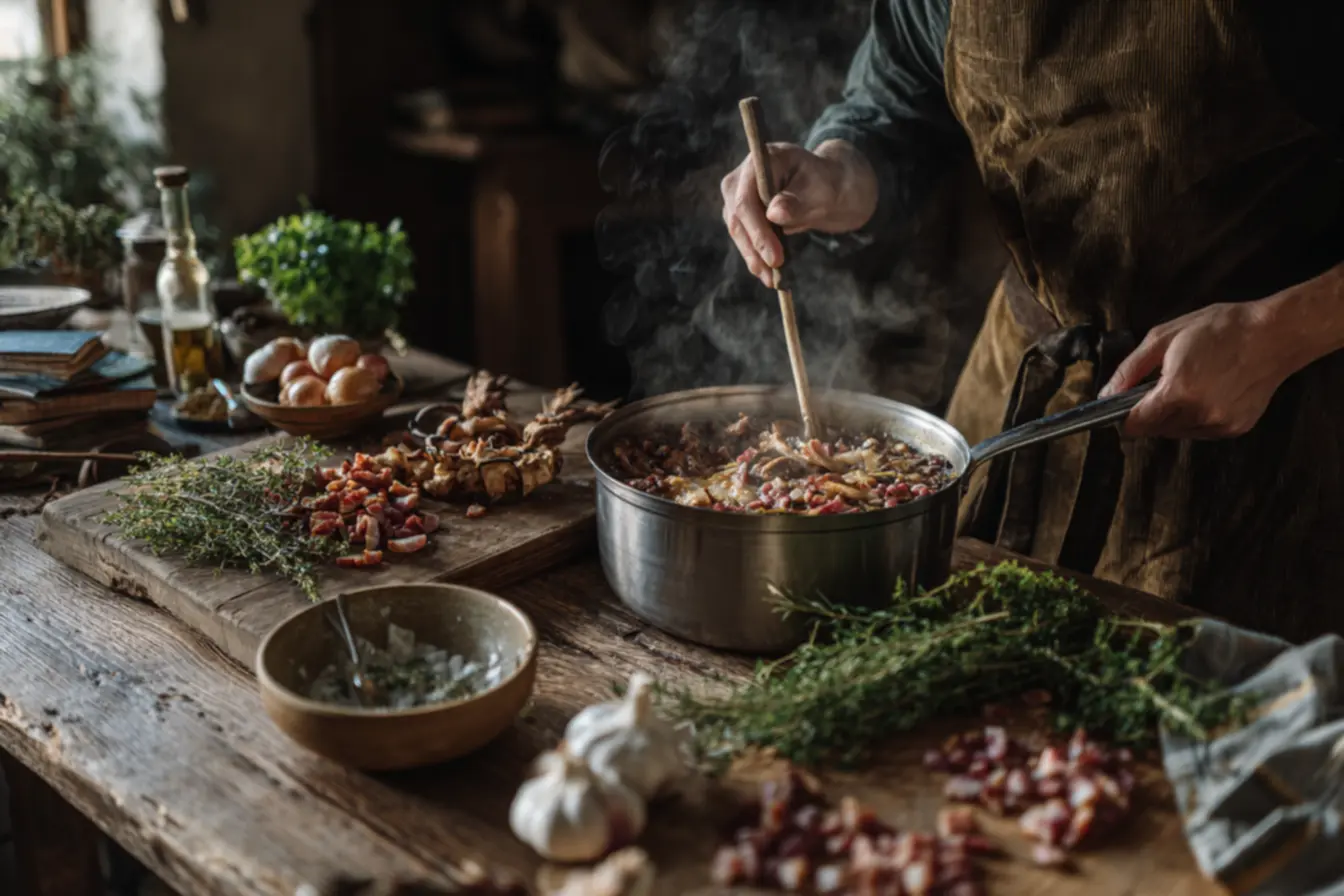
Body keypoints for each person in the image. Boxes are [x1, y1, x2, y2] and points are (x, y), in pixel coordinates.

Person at [720, 0, 1344, 641]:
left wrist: (1282, 331)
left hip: (1267, 422)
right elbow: (901, 104)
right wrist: (836, 173)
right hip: (1022, 385)